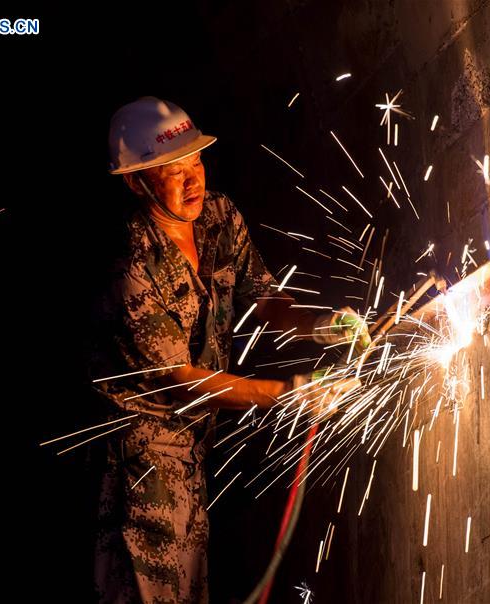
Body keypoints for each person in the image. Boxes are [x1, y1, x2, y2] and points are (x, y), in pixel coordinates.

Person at [89, 96, 369, 603]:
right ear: (136, 181)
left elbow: (265, 300)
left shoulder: (219, 216)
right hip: (141, 469)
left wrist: (324, 325)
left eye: (196, 161)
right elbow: (183, 380)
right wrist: (287, 393)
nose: (193, 180)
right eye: (174, 172)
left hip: (195, 458)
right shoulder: (131, 265)